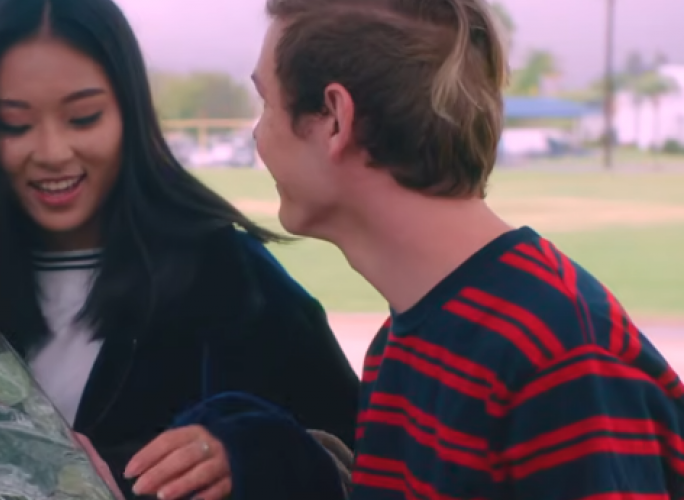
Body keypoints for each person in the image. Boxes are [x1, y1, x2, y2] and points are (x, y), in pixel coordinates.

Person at [0, 0, 360, 499]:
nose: (53, 152)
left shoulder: (232, 279)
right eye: (15, 125)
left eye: (83, 118)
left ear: (129, 112)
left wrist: (258, 458)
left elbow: (356, 460)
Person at [251, 0, 684, 499]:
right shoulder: (402, 341)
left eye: (266, 103)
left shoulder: (555, 356)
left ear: (333, 118)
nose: (258, 134)